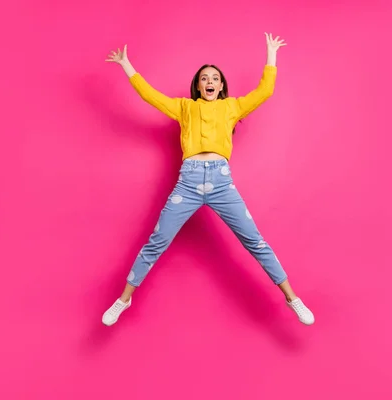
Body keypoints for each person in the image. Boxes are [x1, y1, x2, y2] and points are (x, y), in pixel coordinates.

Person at [102, 33, 314, 327]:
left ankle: (293, 299)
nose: (209, 81)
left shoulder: (232, 107)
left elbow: (265, 91)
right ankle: (123, 300)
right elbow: (151, 96)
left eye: (214, 78)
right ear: (198, 85)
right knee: (157, 241)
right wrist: (127, 65)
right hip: (187, 183)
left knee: (255, 241)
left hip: (221, 183)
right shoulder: (185, 108)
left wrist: (271, 55)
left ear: (221, 85)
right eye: (204, 78)